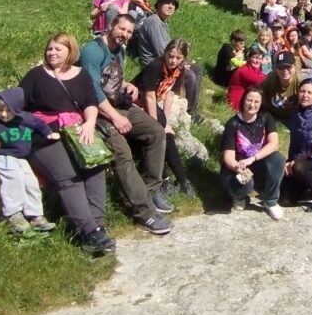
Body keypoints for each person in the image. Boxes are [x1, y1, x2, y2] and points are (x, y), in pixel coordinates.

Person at [18, 33, 115, 255]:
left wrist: (89, 123)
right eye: (50, 49)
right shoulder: (36, 76)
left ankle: (98, 226)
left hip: (75, 129)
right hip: (44, 135)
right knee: (69, 177)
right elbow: (16, 106)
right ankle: (88, 231)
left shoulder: (81, 75)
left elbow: (90, 102)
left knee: (96, 166)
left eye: (58, 49)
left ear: (70, 51)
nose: (52, 53)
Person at [79, 15, 173, 234]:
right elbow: (92, 90)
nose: (125, 35)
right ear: (111, 26)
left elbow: (111, 80)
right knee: (122, 152)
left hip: (116, 105)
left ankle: (150, 190)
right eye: (122, 29)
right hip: (95, 112)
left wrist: (127, 85)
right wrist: (115, 117)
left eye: (129, 32)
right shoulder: (92, 51)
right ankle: (145, 213)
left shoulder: (119, 50)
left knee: (156, 131)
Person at [0, 86, 58, 235]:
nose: (3, 114)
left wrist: (48, 133)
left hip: (21, 158)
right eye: (0, 110)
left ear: (17, 109)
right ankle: (13, 215)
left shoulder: (26, 119)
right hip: (2, 156)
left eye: (8, 110)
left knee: (31, 181)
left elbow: (39, 124)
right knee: (14, 176)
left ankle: (35, 216)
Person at [133, 39, 198, 200]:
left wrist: (165, 122)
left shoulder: (179, 70)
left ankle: (182, 180)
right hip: (136, 102)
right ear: (165, 53)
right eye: (171, 56)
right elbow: (148, 96)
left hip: (153, 102)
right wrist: (156, 124)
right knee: (158, 134)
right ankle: (164, 180)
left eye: (178, 58)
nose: (173, 61)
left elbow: (169, 94)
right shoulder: (155, 66)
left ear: (183, 59)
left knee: (167, 134)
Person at [220, 88, 286, 219]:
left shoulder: (266, 118)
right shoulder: (233, 124)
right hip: (236, 168)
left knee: (278, 159)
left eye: (256, 102)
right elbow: (228, 158)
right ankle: (239, 196)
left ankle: (271, 201)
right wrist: (239, 169)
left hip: (257, 163)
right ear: (243, 101)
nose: (252, 105)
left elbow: (274, 144)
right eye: (249, 100)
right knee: (246, 182)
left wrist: (252, 158)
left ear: (261, 103)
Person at [227, 43, 269, 111]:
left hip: (246, 100)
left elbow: (262, 76)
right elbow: (261, 80)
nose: (257, 61)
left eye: (259, 58)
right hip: (236, 103)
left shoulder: (255, 69)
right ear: (249, 58)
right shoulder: (244, 70)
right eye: (254, 57)